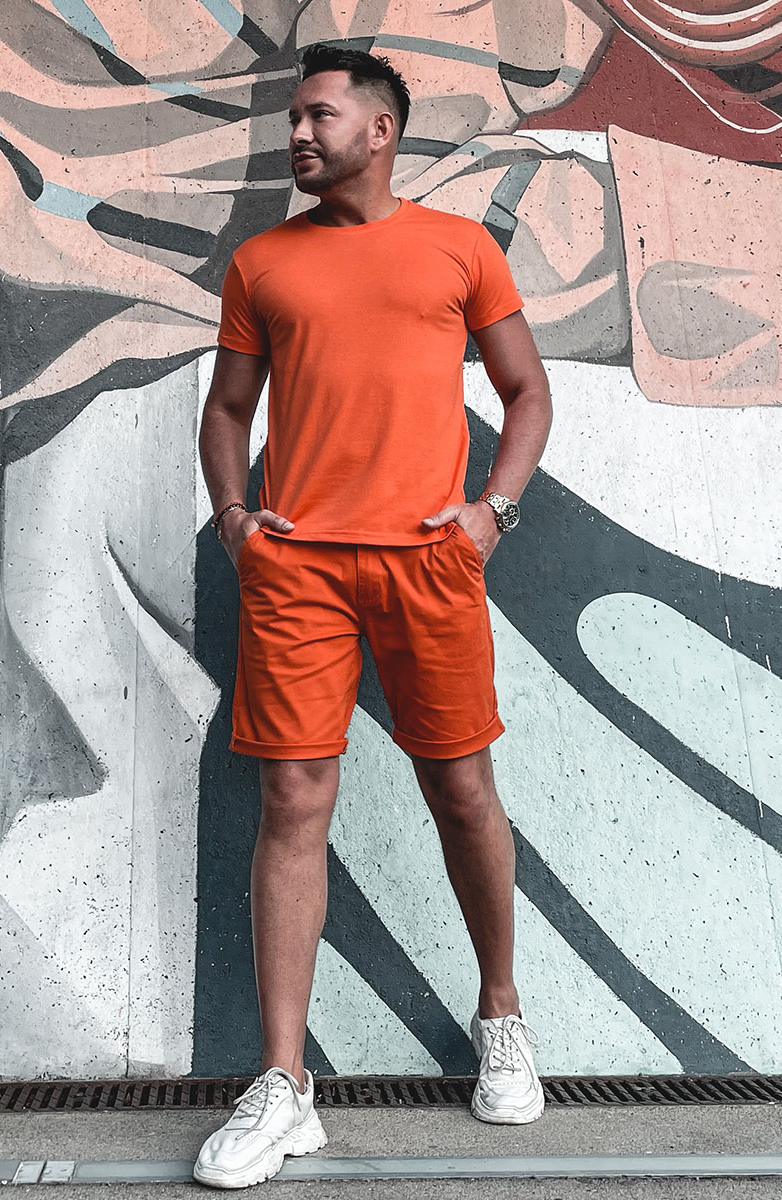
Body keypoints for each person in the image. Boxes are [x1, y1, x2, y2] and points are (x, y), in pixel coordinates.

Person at [194, 42, 553, 1190]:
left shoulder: (459, 247)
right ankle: (284, 1083)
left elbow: (525, 390)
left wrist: (491, 513)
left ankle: (501, 1015)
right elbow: (226, 410)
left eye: (317, 116)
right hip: (297, 569)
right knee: (293, 799)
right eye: (292, 119)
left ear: (379, 129)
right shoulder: (261, 262)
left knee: (460, 788)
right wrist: (236, 522)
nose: (297, 134)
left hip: (428, 566)